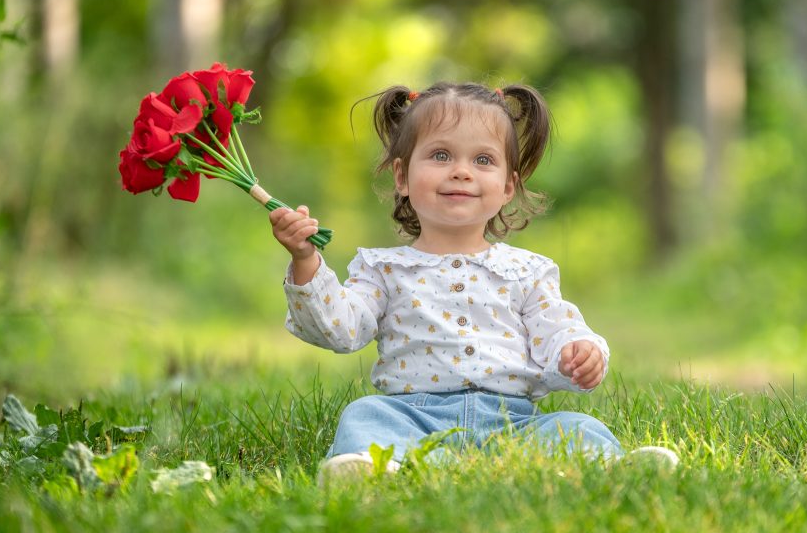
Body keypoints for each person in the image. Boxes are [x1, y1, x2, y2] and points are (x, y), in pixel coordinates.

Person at [271, 82, 678, 481]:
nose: (461, 172)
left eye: (483, 160)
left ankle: (608, 469)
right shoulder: (383, 269)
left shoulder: (526, 271)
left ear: (506, 186)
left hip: (513, 421)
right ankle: (374, 468)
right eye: (441, 155)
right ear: (402, 177)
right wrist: (305, 259)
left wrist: (578, 351)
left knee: (574, 425)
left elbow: (556, 327)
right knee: (365, 414)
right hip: (414, 417)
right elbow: (341, 328)